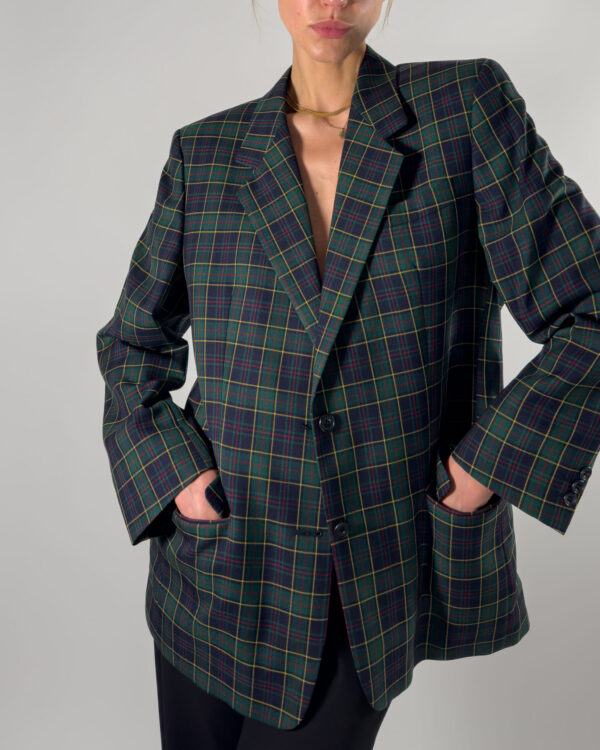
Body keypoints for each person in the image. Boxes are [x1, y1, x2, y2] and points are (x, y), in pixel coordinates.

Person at [95, 1, 600, 748]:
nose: (330, 2)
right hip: (216, 568)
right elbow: (133, 344)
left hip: (372, 574)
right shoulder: (206, 154)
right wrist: (180, 482)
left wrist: (480, 469)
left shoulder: (462, 113)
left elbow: (590, 310)